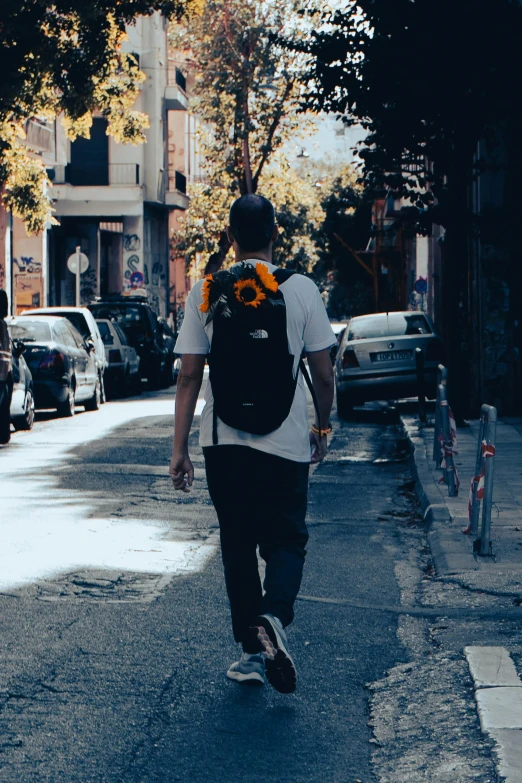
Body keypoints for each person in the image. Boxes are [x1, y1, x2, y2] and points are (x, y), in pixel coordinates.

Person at [170, 194, 335, 694]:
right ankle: (273, 616)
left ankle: (250, 651)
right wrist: (322, 429)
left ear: (230, 235)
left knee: (238, 544)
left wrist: (179, 451)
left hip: (223, 443)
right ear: (276, 233)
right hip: (283, 441)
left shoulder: (207, 291)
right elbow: (324, 374)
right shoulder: (302, 289)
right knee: (287, 539)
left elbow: (189, 377)